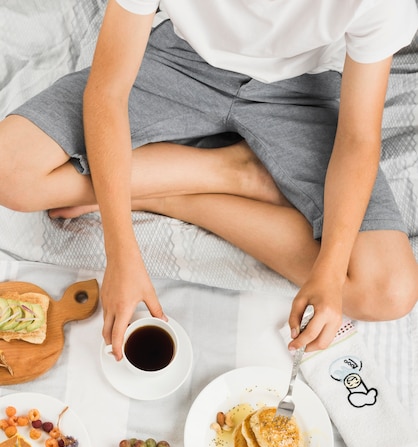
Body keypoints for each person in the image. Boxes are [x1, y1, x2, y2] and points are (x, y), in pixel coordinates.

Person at [0, 0, 417, 360]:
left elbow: (358, 137)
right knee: (10, 170)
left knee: (390, 291)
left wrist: (330, 269)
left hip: (303, 91)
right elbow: (107, 91)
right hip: (179, 62)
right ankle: (234, 171)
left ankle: (164, 195)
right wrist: (121, 252)